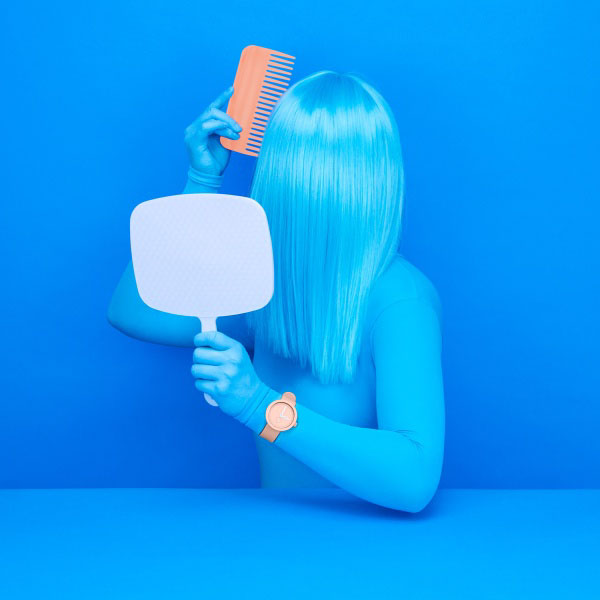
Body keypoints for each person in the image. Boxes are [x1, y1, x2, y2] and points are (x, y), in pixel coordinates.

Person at [108, 71, 445, 512]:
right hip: (271, 538)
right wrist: (201, 181)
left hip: (362, 546)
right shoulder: (265, 278)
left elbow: (414, 480)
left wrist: (258, 405)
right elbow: (133, 311)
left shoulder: (402, 300)